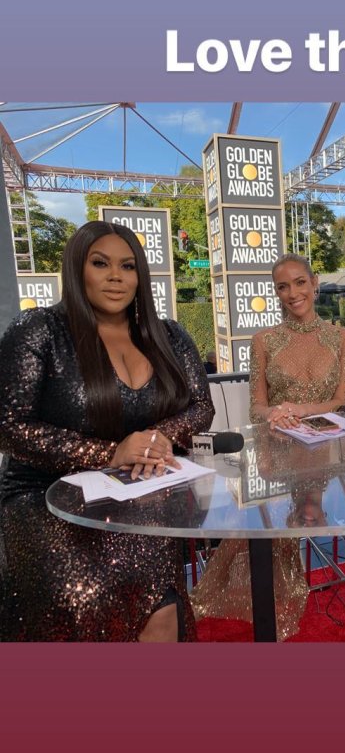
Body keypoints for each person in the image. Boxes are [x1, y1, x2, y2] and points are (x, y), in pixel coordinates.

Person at [0, 221, 214, 642]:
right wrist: (109, 453)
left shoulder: (170, 335)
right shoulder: (40, 330)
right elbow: (9, 426)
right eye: (101, 263)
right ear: (77, 268)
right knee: (82, 597)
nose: (116, 276)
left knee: (163, 609)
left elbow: (201, 407)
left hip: (139, 491)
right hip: (44, 496)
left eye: (128, 266)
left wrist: (158, 439)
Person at [191, 253, 345, 639]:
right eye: (283, 286)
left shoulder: (342, 338)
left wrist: (300, 409)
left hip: (330, 450)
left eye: (300, 282)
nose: (293, 293)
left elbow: (340, 400)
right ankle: (269, 609)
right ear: (276, 292)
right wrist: (277, 415)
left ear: (314, 283)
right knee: (261, 534)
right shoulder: (263, 341)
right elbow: (257, 407)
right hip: (278, 452)